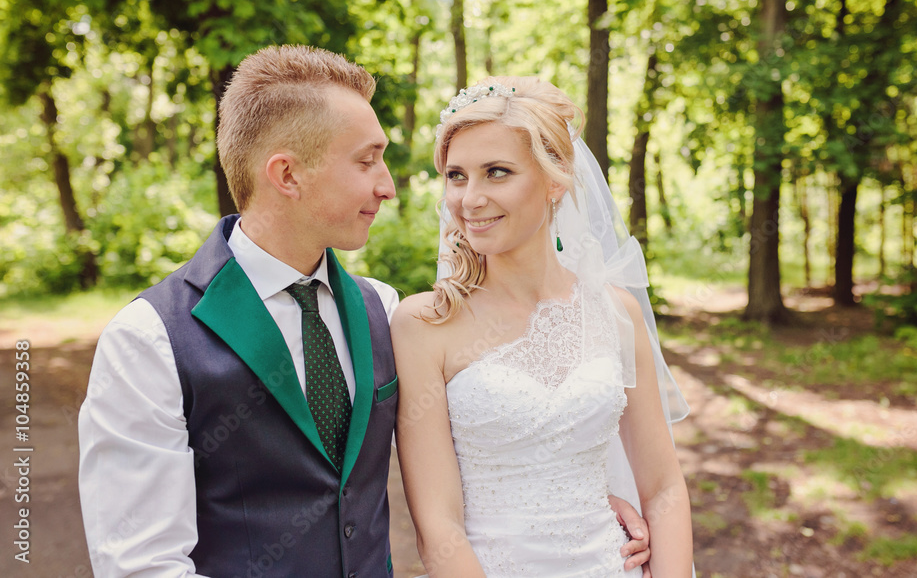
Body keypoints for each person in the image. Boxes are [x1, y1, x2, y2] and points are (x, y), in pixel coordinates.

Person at [77, 45, 651, 577]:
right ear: (287, 175)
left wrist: (579, 510)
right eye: (367, 161)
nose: (389, 187)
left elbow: (500, 430)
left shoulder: (386, 311)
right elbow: (142, 566)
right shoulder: (150, 339)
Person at [392, 76, 694, 577]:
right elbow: (437, 527)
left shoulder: (617, 313)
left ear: (555, 180)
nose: (470, 199)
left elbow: (664, 487)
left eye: (497, 172)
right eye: (456, 176)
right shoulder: (425, 324)